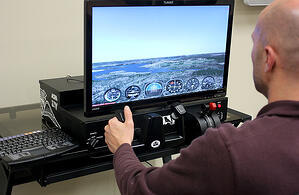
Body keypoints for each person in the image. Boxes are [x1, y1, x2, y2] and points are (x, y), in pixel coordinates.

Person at [104, 0, 299, 194]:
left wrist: (122, 147)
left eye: (254, 43)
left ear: (268, 59)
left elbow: (140, 189)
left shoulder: (229, 148)